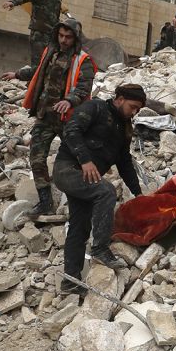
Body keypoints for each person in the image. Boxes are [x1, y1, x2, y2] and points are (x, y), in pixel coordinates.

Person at [1, 18, 95, 216]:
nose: (63, 40)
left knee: (78, 159)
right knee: (36, 158)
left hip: (67, 119)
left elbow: (84, 86)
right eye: (60, 36)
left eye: (68, 37)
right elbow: (39, 71)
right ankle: (45, 202)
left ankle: (81, 199)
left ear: (75, 38)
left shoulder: (82, 60)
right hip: (45, 116)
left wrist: (69, 100)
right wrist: (17, 74)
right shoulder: (50, 52)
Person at [53, 84, 146, 284]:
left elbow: (124, 162)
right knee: (106, 191)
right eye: (133, 106)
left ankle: (70, 282)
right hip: (67, 169)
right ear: (120, 99)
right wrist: (85, 160)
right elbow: (71, 129)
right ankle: (101, 249)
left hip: (87, 180)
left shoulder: (123, 128)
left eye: (138, 109)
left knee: (79, 227)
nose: (134, 112)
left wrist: (138, 194)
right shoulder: (94, 108)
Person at [3, 0, 72, 65]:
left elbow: (52, 18)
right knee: (38, 65)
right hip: (39, 36)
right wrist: (13, 2)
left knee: (46, 64)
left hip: (50, 37)